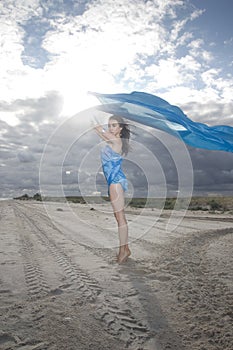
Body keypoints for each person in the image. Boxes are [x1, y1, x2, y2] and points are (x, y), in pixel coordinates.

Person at [93, 115, 131, 264]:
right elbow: (101, 133)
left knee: (120, 218)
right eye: (109, 125)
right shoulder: (111, 140)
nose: (110, 128)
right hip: (113, 182)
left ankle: (123, 251)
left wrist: (95, 124)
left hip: (115, 182)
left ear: (120, 128)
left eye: (114, 125)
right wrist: (96, 128)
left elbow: (101, 132)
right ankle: (126, 248)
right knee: (118, 217)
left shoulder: (116, 141)